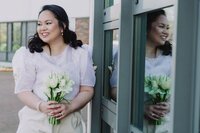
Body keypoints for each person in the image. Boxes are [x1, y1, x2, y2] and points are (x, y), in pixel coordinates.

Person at [12, 4, 95, 133]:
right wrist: (41, 105)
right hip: (34, 124)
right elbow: (23, 90)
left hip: (68, 125)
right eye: (39, 24)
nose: (42, 28)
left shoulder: (80, 54)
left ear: (63, 25)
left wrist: (70, 107)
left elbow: (87, 89)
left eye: (48, 23)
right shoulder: (30, 55)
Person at [143, 9, 172, 133]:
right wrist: (142, 108)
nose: (166, 32)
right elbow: (115, 90)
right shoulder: (129, 55)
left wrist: (169, 105)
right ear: (147, 27)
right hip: (138, 123)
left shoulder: (171, 57)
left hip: (166, 125)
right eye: (161, 26)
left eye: (167, 27)